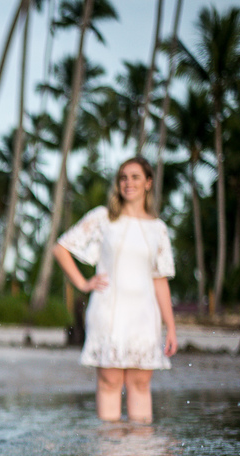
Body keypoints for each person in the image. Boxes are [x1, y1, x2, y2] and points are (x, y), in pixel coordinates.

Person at [52, 157, 178, 424]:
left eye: (134, 177)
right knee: (110, 381)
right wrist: (83, 283)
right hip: (108, 310)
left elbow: (160, 279)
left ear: (148, 182)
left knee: (141, 383)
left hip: (145, 315)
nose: (128, 183)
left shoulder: (159, 229)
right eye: (123, 177)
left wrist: (171, 327)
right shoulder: (103, 218)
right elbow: (61, 248)